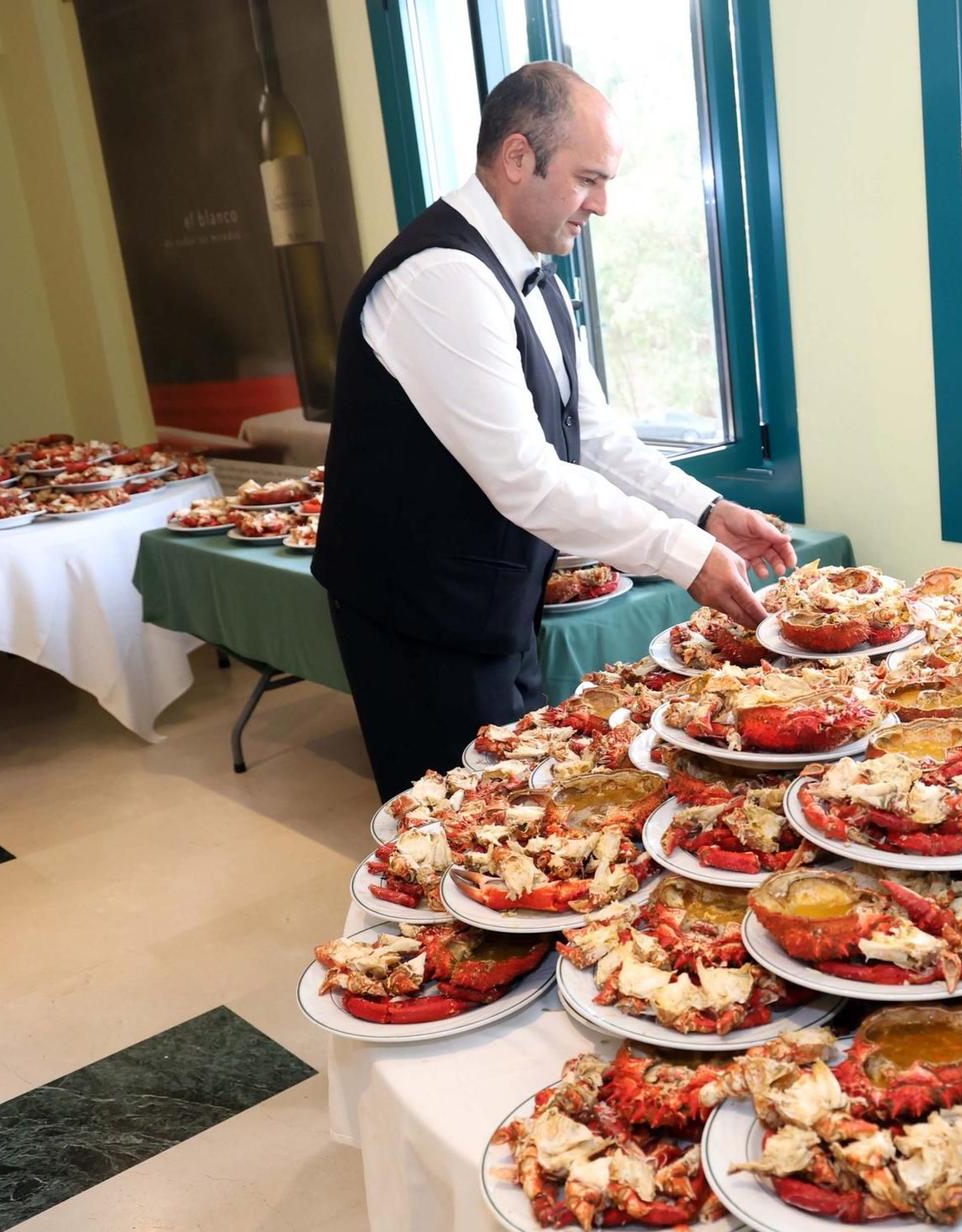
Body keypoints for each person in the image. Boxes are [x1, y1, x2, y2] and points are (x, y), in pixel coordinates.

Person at [314, 61, 795, 798]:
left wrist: (705, 511)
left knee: (529, 809)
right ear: (516, 158)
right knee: (460, 836)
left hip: (497, 604)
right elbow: (526, 478)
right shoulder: (441, 280)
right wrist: (685, 554)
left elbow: (598, 439)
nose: (600, 206)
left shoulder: (538, 280)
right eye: (587, 179)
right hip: (417, 621)